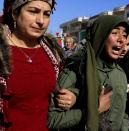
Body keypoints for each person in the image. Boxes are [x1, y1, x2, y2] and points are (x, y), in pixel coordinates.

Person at [0, 0, 76, 131]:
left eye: (46, 14)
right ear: (14, 13)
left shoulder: (54, 53)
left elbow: (64, 87)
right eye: (33, 11)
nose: (41, 20)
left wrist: (72, 96)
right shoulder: (1, 52)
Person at [48, 15, 129, 131]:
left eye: (125, 35)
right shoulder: (75, 70)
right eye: (115, 33)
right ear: (100, 35)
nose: (121, 40)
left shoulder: (120, 74)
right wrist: (91, 110)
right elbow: (52, 120)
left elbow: (123, 113)